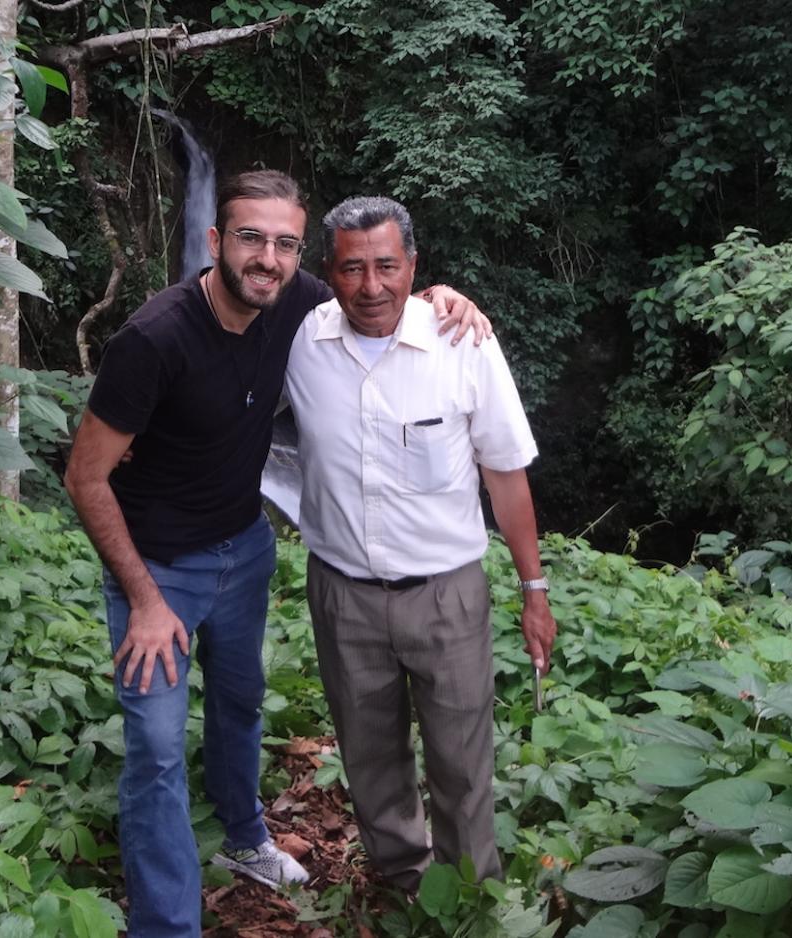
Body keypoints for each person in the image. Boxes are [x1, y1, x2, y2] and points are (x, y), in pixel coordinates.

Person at [63, 170, 487, 938]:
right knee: (156, 747)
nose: (269, 258)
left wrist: (442, 299)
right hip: (158, 569)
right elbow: (85, 475)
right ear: (215, 241)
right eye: (252, 239)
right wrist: (148, 602)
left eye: (286, 244)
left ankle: (245, 837)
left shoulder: (296, 301)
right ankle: (166, 925)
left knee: (240, 703)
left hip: (247, 551)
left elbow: (375, 292)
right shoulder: (152, 341)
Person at [283, 195, 557, 891]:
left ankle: (467, 893)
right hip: (343, 593)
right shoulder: (300, 339)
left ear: (414, 267)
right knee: (370, 758)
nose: (370, 286)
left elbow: (505, 473)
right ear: (328, 271)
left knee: (462, 763)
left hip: (447, 596)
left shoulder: (462, 341)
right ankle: (405, 883)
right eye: (352, 269)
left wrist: (534, 591)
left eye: (386, 266)